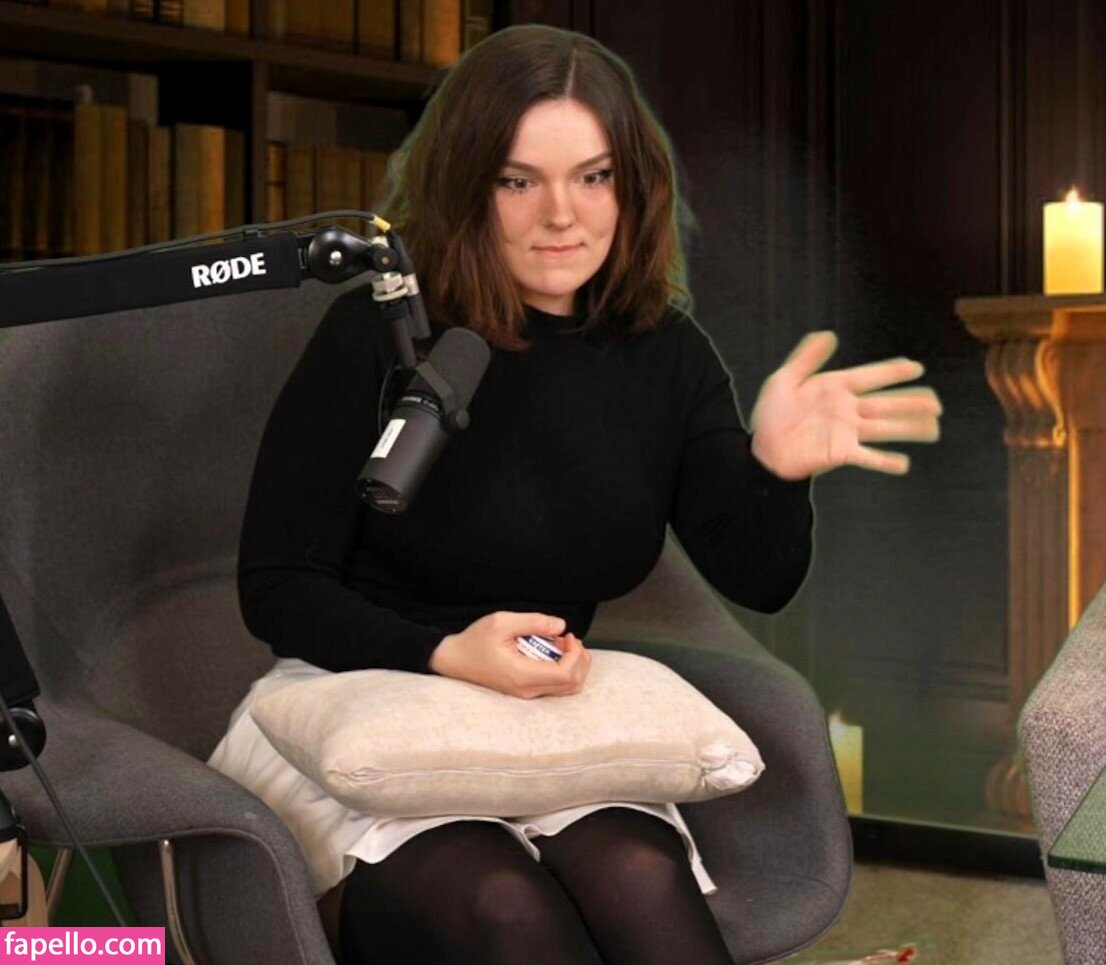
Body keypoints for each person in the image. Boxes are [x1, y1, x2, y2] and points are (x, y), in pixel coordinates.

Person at [207, 23, 942, 965]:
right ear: (467, 186)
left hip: (543, 716)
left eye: (593, 177)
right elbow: (275, 586)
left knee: (640, 879)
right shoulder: (379, 336)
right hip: (362, 701)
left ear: (631, 187)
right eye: (519, 181)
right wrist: (446, 651)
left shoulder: (666, 352)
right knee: (503, 905)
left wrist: (778, 470)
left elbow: (759, 576)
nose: (563, 215)